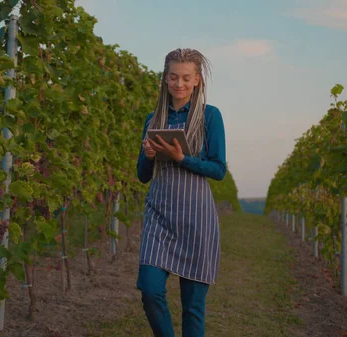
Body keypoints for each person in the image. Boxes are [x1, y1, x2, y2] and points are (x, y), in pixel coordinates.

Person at [136, 48, 227, 337]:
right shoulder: (154, 120)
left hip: (196, 219)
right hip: (159, 215)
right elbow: (142, 176)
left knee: (192, 309)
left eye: (186, 78)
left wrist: (182, 158)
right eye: (173, 77)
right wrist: (148, 156)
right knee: (150, 290)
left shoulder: (210, 117)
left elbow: (218, 169)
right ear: (165, 79)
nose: (179, 84)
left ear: (197, 80)